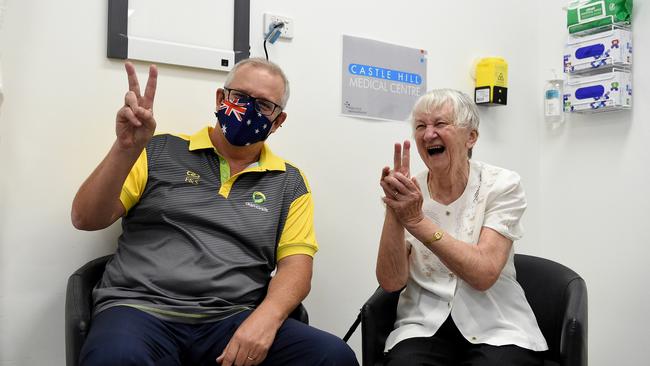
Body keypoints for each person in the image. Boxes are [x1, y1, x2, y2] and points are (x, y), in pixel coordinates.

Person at [71, 58, 358, 366]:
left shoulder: (289, 182)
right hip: (140, 310)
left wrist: (267, 318)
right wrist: (125, 148)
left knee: (333, 357)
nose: (248, 110)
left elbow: (296, 268)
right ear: (221, 99)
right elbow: (86, 218)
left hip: (231, 319)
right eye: (240, 97)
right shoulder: (157, 149)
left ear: (278, 120)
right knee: (115, 359)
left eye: (263, 105)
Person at [376, 89, 548, 366]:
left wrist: (417, 222)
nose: (428, 134)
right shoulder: (409, 190)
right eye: (421, 126)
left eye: (440, 124)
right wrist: (395, 212)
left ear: (471, 137)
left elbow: (483, 275)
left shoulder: (502, 185)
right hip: (423, 326)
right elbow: (391, 281)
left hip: (497, 325)